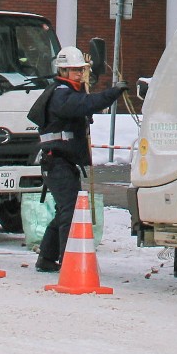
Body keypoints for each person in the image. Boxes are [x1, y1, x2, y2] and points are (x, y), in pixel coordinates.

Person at [32, 46, 126, 273]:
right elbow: (86, 104)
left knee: (66, 209)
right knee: (69, 211)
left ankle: (46, 258)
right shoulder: (61, 95)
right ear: (62, 71)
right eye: (73, 70)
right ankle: (68, 261)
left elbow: (84, 102)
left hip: (63, 162)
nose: (78, 74)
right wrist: (112, 93)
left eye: (80, 70)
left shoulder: (68, 92)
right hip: (57, 162)